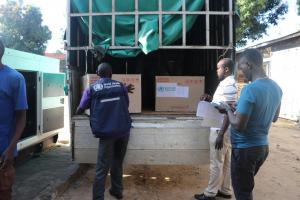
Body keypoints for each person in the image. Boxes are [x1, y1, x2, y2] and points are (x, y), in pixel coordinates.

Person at [218, 49, 282, 200]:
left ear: (249, 64)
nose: (240, 71)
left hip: (244, 150)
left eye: (241, 66)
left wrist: (228, 109)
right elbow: (274, 118)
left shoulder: (250, 90)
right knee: (246, 187)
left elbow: (238, 125)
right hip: (262, 148)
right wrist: (238, 109)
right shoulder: (277, 88)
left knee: (242, 193)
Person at [76, 62, 132, 200]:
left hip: (107, 133)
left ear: (97, 74)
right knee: (117, 162)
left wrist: (79, 111)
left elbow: (81, 108)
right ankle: (117, 191)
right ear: (111, 73)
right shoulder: (120, 86)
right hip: (123, 131)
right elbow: (126, 104)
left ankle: (98, 197)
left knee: (102, 167)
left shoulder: (92, 89)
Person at [194, 58, 237, 200]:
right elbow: (222, 105)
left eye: (219, 68)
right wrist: (210, 99)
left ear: (226, 69)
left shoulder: (229, 84)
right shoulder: (226, 83)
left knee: (216, 162)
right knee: (226, 161)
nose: (216, 71)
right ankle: (225, 190)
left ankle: (210, 193)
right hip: (223, 128)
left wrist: (221, 133)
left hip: (220, 129)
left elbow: (229, 109)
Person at [0, 39, 28, 200]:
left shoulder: (15, 78)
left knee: (4, 191)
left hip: (3, 151)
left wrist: (10, 149)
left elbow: (21, 118)